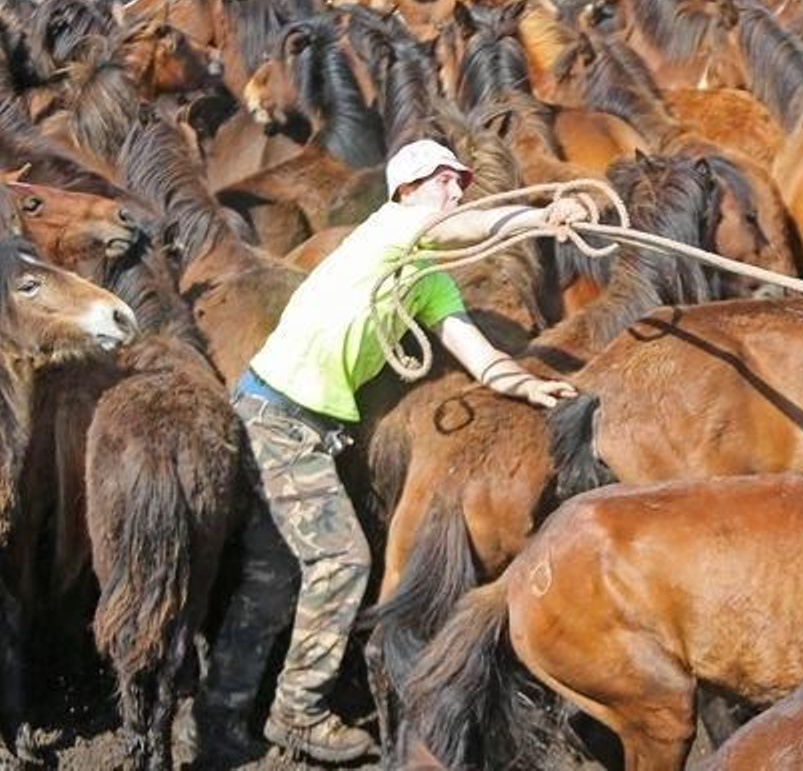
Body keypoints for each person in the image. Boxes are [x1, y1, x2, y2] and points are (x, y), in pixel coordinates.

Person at [187, 139, 580, 764]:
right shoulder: (387, 230)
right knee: (342, 559)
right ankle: (298, 711)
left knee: (272, 578)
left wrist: (530, 383)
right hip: (277, 418)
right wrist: (539, 215)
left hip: (293, 423)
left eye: (460, 182)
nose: (457, 191)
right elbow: (464, 224)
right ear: (408, 189)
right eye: (444, 181)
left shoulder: (426, 283)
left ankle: (220, 718)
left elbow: (477, 353)